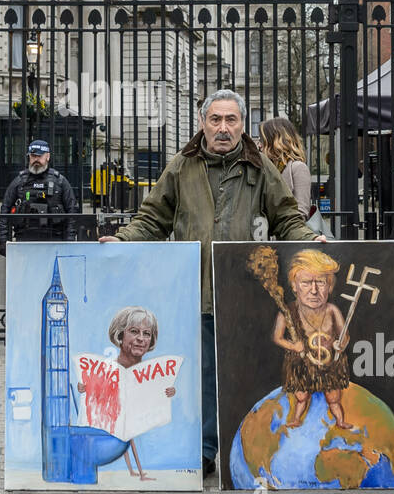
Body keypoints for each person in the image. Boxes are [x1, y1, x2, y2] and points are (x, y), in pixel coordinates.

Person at [100, 89, 325, 474]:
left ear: (242, 125)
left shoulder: (260, 168)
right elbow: (153, 218)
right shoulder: (182, 167)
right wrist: (122, 239)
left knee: (249, 373)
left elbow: (287, 217)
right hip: (197, 291)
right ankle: (205, 452)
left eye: (231, 120)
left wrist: (309, 240)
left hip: (247, 293)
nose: (223, 128)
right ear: (203, 123)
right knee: (203, 377)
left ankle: (252, 449)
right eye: (215, 119)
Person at [76, 306, 176, 481]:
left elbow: (156, 393)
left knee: (129, 433)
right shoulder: (108, 368)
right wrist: (84, 388)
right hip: (108, 425)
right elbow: (90, 385)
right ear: (120, 335)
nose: (141, 339)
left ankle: (135, 471)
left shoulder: (148, 371)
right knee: (124, 433)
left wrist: (168, 392)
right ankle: (133, 470)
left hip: (131, 415)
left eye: (147, 333)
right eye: (134, 331)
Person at [271, 249, 353, 430]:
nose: (314, 290)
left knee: (334, 397)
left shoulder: (331, 310)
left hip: (329, 363)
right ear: (294, 285)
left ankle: (340, 421)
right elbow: (277, 337)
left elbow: (344, 335)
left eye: (321, 283)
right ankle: (296, 418)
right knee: (301, 396)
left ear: (329, 286)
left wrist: (340, 345)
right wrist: (293, 346)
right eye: (307, 283)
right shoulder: (287, 312)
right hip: (302, 363)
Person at [0, 139, 79, 253]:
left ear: (48, 157)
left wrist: (70, 239)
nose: (36, 159)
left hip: (54, 240)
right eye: (33, 156)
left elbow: (72, 210)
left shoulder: (59, 181)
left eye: (39, 156)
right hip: (25, 239)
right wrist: (3, 239)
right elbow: (5, 209)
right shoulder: (19, 181)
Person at [259, 117, 314, 219]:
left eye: (262, 140)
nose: (260, 145)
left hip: (285, 233)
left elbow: (301, 212)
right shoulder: (266, 168)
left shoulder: (298, 168)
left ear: (274, 141)